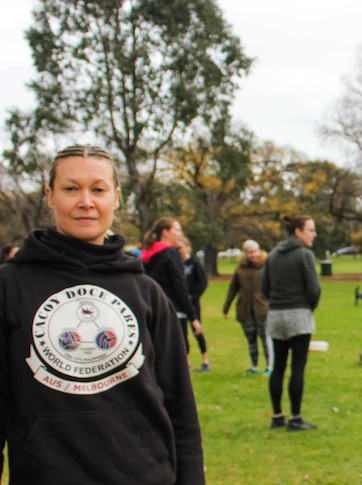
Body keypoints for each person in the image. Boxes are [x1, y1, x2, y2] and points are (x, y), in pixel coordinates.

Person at [0, 144, 203, 483]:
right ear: (50, 196)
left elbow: (180, 407)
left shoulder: (146, 291)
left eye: (98, 189)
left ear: (116, 197)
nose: (86, 202)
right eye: (70, 189)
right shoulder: (9, 286)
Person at [262, 214, 320, 431]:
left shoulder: (272, 255)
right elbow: (313, 289)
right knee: (298, 368)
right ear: (298, 231)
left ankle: (277, 415)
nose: (314, 235)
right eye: (311, 230)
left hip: (276, 315)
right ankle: (295, 418)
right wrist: (308, 306)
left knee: (277, 367)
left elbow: (264, 288)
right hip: (298, 315)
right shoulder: (304, 255)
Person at [141, 217, 202, 367]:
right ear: (165, 232)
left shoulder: (148, 254)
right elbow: (180, 287)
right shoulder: (170, 254)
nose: (180, 233)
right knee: (176, 358)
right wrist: (193, 317)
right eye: (177, 229)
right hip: (173, 312)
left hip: (152, 310)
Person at [223, 239, 272, 376]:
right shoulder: (239, 270)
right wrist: (226, 308)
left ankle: (269, 366)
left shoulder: (266, 267)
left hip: (262, 308)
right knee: (251, 339)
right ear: (245, 254)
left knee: (265, 338)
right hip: (245, 309)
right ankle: (254, 366)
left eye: (255, 251)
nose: (253, 255)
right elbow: (232, 290)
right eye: (249, 252)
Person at [177, 236, 210, 372]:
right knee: (182, 334)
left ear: (187, 247)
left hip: (193, 304)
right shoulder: (176, 264)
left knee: (197, 331)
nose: (179, 251)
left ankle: (205, 361)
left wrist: (194, 296)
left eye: (181, 248)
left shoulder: (194, 263)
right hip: (180, 304)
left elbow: (203, 283)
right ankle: (187, 362)